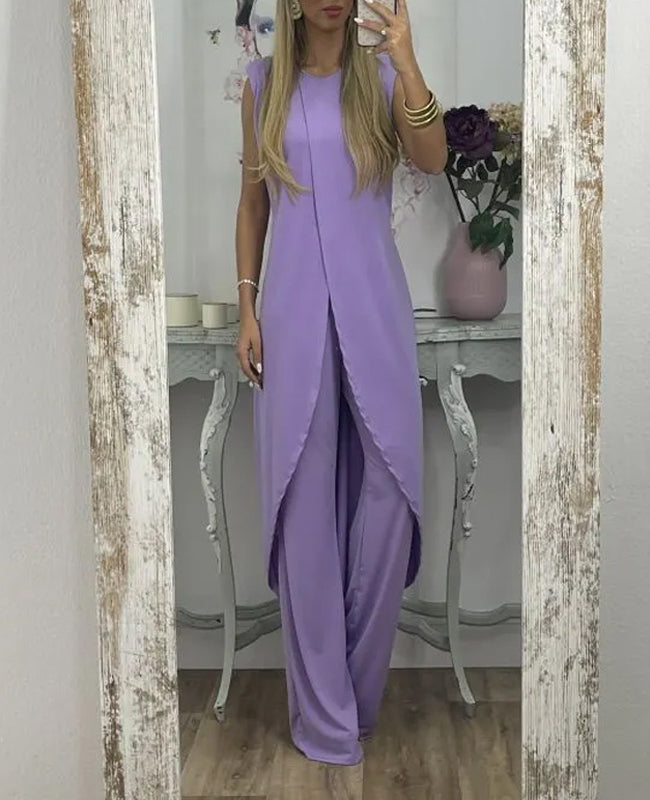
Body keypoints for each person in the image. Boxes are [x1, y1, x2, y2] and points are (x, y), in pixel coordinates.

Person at [234, 0, 446, 766]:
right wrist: (246, 306)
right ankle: (324, 713)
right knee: (303, 495)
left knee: (392, 489)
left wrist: (409, 61)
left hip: (374, 304)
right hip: (289, 312)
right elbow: (252, 202)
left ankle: (351, 692)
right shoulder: (262, 85)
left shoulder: (382, 77)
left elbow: (433, 159)